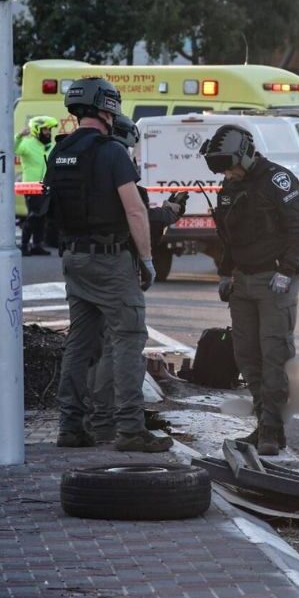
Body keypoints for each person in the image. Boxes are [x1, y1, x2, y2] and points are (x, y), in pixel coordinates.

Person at [44, 77, 171, 451]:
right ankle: (131, 430)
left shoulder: (60, 151)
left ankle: (70, 428)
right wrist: (147, 259)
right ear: (106, 108)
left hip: (73, 258)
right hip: (109, 260)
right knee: (129, 337)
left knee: (79, 344)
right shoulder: (112, 152)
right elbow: (134, 209)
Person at [202, 124, 299, 456]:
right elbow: (228, 236)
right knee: (247, 355)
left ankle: (271, 428)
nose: (228, 174)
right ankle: (264, 420)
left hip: (274, 280)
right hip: (242, 280)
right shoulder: (230, 185)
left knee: (275, 355)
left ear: (246, 155)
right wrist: (225, 273)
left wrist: (288, 269)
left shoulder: (277, 180)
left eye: (230, 166)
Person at [84, 115, 187, 442]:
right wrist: (170, 214)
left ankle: (95, 420)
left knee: (97, 346)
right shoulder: (117, 169)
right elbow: (138, 214)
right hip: (116, 267)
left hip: (85, 266)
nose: (134, 156)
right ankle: (123, 424)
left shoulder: (88, 168)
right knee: (123, 342)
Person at [16, 116, 57, 256]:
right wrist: (19, 136)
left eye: (49, 129)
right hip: (31, 187)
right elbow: (12, 149)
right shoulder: (27, 144)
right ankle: (24, 245)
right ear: (36, 130)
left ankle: (37, 245)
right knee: (33, 216)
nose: (48, 132)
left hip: (46, 187)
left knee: (42, 218)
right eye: (45, 129)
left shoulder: (50, 146)